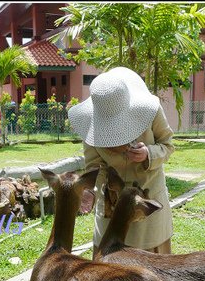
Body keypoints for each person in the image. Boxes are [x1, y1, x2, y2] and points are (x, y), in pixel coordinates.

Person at [68, 66, 175, 255]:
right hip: (111, 203)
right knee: (110, 265)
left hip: (148, 201)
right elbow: (94, 166)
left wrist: (148, 154)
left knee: (150, 268)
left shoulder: (150, 110)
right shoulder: (90, 123)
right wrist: (90, 191)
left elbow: (168, 145)